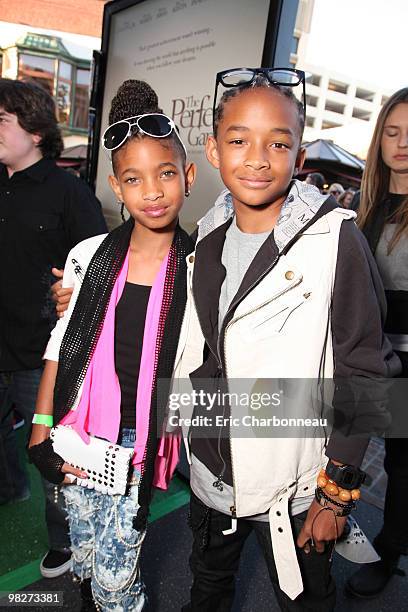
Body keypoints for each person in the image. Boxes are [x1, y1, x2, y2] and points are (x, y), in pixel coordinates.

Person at [171, 68, 399, 611]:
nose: (256, 157)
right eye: (238, 140)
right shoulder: (206, 235)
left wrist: (337, 493)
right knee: (206, 587)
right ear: (213, 150)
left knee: (304, 601)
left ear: (299, 159)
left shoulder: (335, 237)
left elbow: (366, 371)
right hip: (210, 470)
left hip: (295, 489)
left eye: (277, 143)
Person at [28, 80, 196, 611]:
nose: (152, 191)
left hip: (142, 439)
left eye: (165, 173)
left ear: (188, 178)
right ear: (116, 188)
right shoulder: (87, 256)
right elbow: (62, 343)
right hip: (82, 428)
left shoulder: (201, 267)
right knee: (82, 547)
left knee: (117, 570)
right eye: (134, 179)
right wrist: (41, 427)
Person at [0, 78, 107, 578]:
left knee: (47, 453)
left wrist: (73, 288)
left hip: (39, 352)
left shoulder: (69, 192)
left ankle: (64, 541)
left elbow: (103, 269)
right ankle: (7, 489)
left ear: (36, 129)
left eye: (2, 120)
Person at [346, 87, 408, 599]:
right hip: (366, 358)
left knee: (401, 466)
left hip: (405, 363)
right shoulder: (367, 209)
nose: (402, 143)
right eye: (392, 132)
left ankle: (388, 557)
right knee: (344, 450)